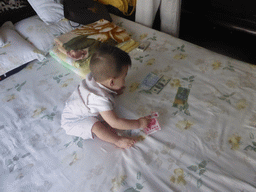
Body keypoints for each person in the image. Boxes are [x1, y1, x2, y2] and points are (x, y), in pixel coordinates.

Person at [61, 44, 151, 148]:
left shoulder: (96, 77)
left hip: (75, 105)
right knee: (97, 126)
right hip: (73, 122)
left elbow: (104, 87)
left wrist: (115, 89)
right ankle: (118, 141)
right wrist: (139, 123)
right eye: (124, 77)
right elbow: (115, 122)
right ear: (111, 82)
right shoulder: (99, 99)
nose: (125, 80)